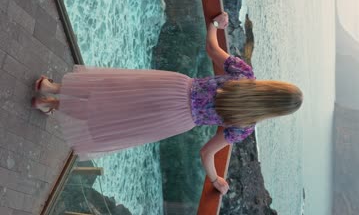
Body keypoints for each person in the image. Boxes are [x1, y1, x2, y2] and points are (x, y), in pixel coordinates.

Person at [31, 12, 303, 195]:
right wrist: (215, 180)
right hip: (176, 119)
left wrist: (215, 26)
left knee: (115, 91)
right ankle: (52, 105)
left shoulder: (244, 74)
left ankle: (52, 88)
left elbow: (211, 48)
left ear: (274, 86)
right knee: (116, 114)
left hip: (174, 87)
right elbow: (206, 154)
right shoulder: (244, 126)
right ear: (275, 111)